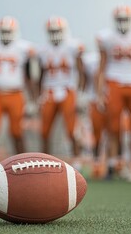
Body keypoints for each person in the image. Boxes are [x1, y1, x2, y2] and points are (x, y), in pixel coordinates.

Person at [95, 5, 131, 182]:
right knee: (113, 127)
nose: (122, 23)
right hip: (114, 83)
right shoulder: (107, 37)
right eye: (119, 20)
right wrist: (99, 92)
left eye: (125, 19)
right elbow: (102, 67)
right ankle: (111, 165)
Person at [0, 16, 36, 175]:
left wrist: (33, 99)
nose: (6, 34)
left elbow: (28, 76)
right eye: (3, 31)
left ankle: (25, 164)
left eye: (8, 31)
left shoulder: (23, 48)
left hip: (16, 94)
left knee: (17, 132)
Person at [37, 16, 85, 170]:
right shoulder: (43, 50)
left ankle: (77, 162)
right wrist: (38, 95)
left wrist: (81, 94)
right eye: (52, 31)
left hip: (67, 90)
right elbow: (41, 74)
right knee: (44, 131)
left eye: (57, 31)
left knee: (72, 130)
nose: (55, 34)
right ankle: (44, 162)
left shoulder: (72, 46)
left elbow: (81, 72)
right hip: (49, 91)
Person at [82, 51, 106, 178]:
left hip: (111, 98)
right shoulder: (90, 60)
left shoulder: (115, 58)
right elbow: (84, 77)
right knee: (96, 134)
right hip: (94, 100)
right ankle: (97, 164)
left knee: (115, 133)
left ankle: (114, 164)